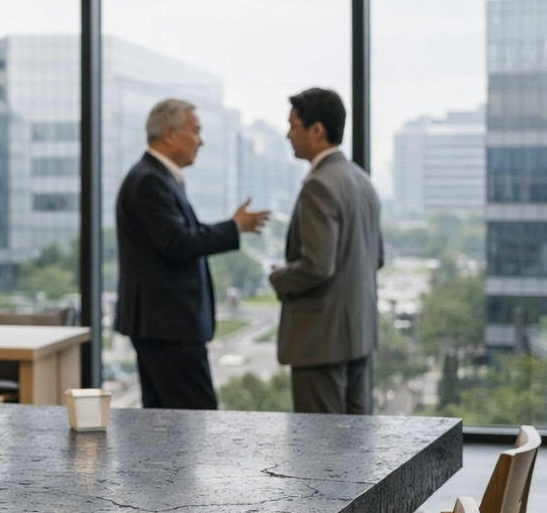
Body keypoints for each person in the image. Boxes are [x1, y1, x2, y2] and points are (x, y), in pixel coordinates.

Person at [114, 99, 270, 410]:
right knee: (194, 421)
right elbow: (178, 244)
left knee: (163, 424)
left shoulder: (159, 178)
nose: (201, 140)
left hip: (163, 324)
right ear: (170, 135)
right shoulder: (149, 181)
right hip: (167, 325)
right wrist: (234, 227)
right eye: (195, 131)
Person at [269, 88, 384, 415]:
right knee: (356, 449)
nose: (288, 134)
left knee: (320, 454)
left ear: (316, 130)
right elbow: (377, 258)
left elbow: (318, 266)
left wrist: (279, 277)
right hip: (358, 337)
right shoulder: (362, 181)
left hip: (319, 343)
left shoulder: (320, 184)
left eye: (294, 125)